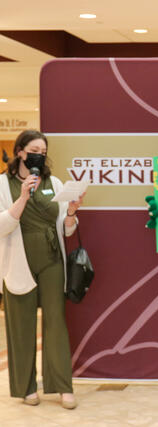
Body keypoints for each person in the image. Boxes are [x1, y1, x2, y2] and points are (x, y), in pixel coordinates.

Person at [0, 130, 83, 409]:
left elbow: (66, 230)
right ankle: (25, 387)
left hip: (51, 261)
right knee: (21, 325)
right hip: (18, 262)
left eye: (43, 151)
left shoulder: (54, 182)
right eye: (34, 149)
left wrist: (71, 212)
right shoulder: (3, 184)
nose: (39, 155)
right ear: (21, 151)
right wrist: (22, 197)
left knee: (55, 322)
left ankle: (62, 386)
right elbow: (2, 227)